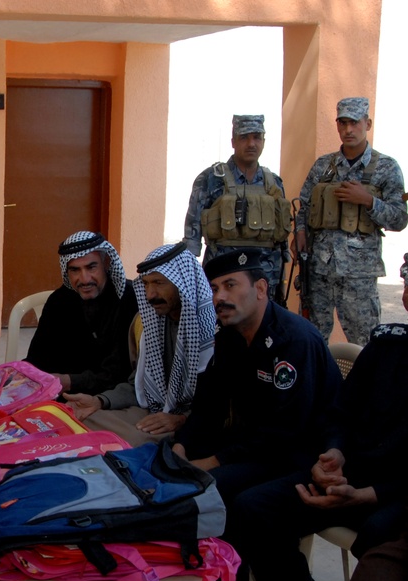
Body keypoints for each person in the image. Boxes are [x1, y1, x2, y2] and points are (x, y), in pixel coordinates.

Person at [232, 254, 408, 581]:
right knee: (254, 507)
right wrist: (333, 454)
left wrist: (369, 494)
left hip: (396, 494)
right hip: (351, 476)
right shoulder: (388, 344)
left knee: (380, 537)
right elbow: (341, 411)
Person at [172, 249, 342, 508]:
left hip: (299, 453)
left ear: (261, 288)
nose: (220, 297)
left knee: (209, 489)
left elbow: (287, 429)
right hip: (253, 444)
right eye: (215, 288)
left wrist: (215, 460)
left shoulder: (293, 341)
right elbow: (211, 399)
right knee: (163, 460)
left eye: (230, 286)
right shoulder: (231, 333)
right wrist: (183, 444)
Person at [65, 242, 215, 446]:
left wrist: (182, 419)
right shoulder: (146, 323)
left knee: (128, 440)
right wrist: (99, 401)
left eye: (159, 283)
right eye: (146, 284)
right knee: (75, 421)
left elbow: (224, 403)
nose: (150, 295)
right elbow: (138, 385)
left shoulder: (215, 330)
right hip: (153, 409)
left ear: (182, 283)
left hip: (195, 420)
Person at [294, 97, 407, 345]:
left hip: (359, 277)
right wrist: (300, 233)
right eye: (342, 123)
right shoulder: (324, 166)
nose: (348, 130)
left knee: (365, 344)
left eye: (354, 123)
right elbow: (304, 206)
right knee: (311, 341)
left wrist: (368, 201)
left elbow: (399, 218)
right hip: (319, 272)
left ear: (367, 123)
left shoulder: (386, 168)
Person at [182, 114, 291, 298]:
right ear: (233, 141)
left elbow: (282, 239)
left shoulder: (274, 184)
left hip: (264, 278)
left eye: (257, 137)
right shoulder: (210, 179)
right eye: (244, 137)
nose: (251, 144)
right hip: (222, 277)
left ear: (263, 141)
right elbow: (191, 237)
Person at [24, 230, 137, 396]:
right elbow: (39, 357)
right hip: (58, 393)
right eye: (75, 270)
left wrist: (70, 382)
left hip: (109, 397)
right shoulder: (59, 300)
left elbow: (120, 372)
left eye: (91, 267)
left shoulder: (128, 299)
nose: (84, 279)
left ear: (105, 264)